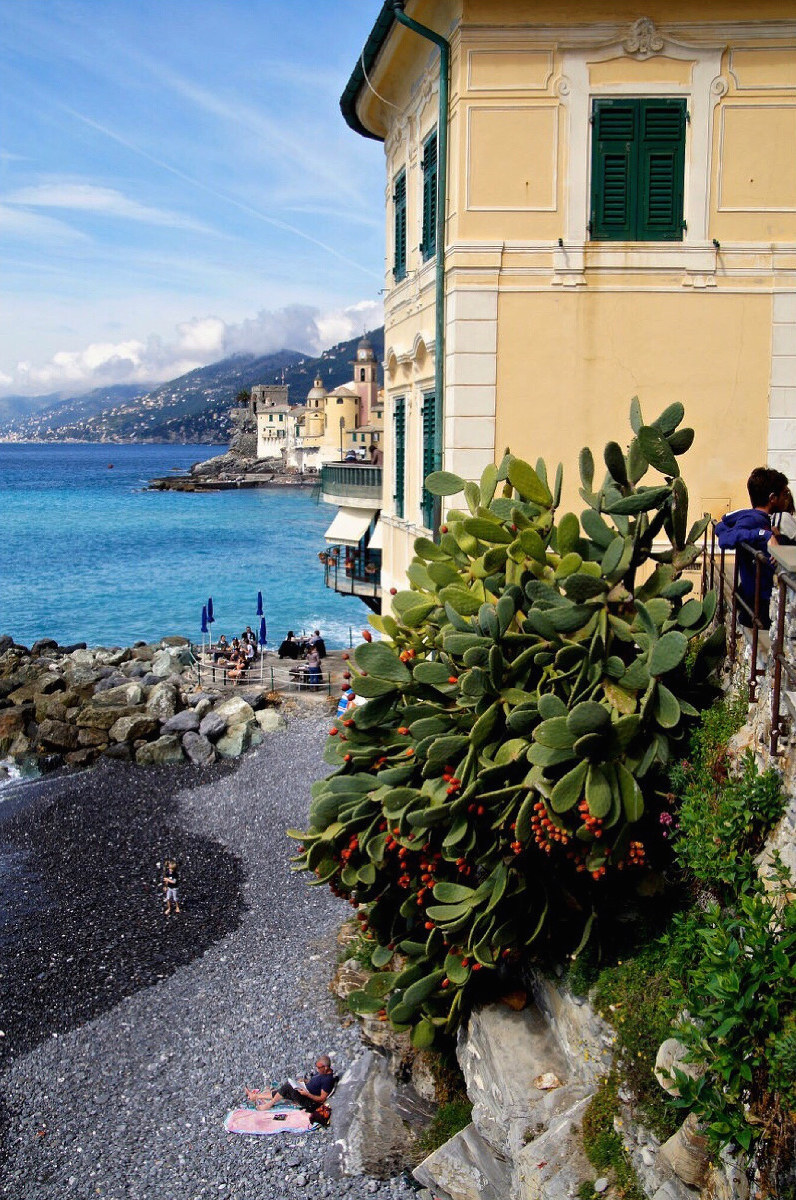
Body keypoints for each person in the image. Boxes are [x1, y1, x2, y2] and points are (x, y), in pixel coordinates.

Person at [715, 467, 790, 629]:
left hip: (753, 595)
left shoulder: (748, 515)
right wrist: (766, 535)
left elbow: (721, 525)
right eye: (785, 494)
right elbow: (726, 540)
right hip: (759, 600)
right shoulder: (755, 519)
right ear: (772, 498)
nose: (787, 499)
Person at [246, 1055, 334, 1113]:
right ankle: (256, 1096)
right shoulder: (322, 1073)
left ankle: (268, 1105)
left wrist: (307, 1094)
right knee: (283, 1091)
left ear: (326, 1067)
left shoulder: (327, 1080)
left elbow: (322, 1099)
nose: (317, 1069)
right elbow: (315, 1083)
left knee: (287, 1088)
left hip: (309, 1101)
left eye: (319, 1067)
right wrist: (305, 1081)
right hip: (305, 1091)